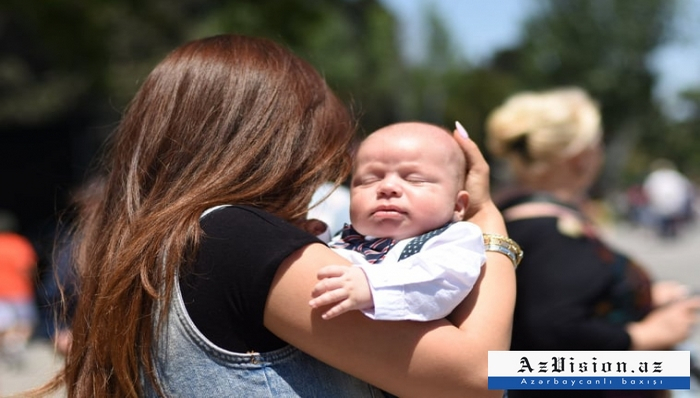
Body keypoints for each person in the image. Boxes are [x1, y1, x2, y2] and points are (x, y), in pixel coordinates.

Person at [33, 34, 516, 398]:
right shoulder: (240, 240)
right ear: (275, 145)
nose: (319, 176)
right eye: (321, 153)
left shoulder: (156, 244)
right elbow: (481, 376)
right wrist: (488, 226)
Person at [485, 86, 700, 398]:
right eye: (598, 143)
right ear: (580, 157)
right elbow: (539, 348)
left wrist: (640, 296)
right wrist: (646, 336)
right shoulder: (552, 232)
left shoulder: (512, 214)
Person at [309, 122, 490, 322]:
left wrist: (372, 286)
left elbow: (439, 284)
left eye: (414, 179)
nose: (387, 187)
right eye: (369, 180)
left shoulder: (456, 240)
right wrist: (316, 241)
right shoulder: (348, 237)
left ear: (458, 206)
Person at [0, 209, 38, 367]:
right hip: (20, 290)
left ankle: (10, 343)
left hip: (1, 292)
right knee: (25, 322)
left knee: (4, 324)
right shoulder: (20, 244)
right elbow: (29, 268)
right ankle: (17, 343)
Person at [642, 158, 696, 239]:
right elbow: (687, 187)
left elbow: (647, 188)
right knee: (670, 216)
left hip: (661, 200)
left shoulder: (654, 176)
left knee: (663, 217)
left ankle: (665, 231)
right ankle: (670, 231)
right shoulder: (676, 175)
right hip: (675, 200)